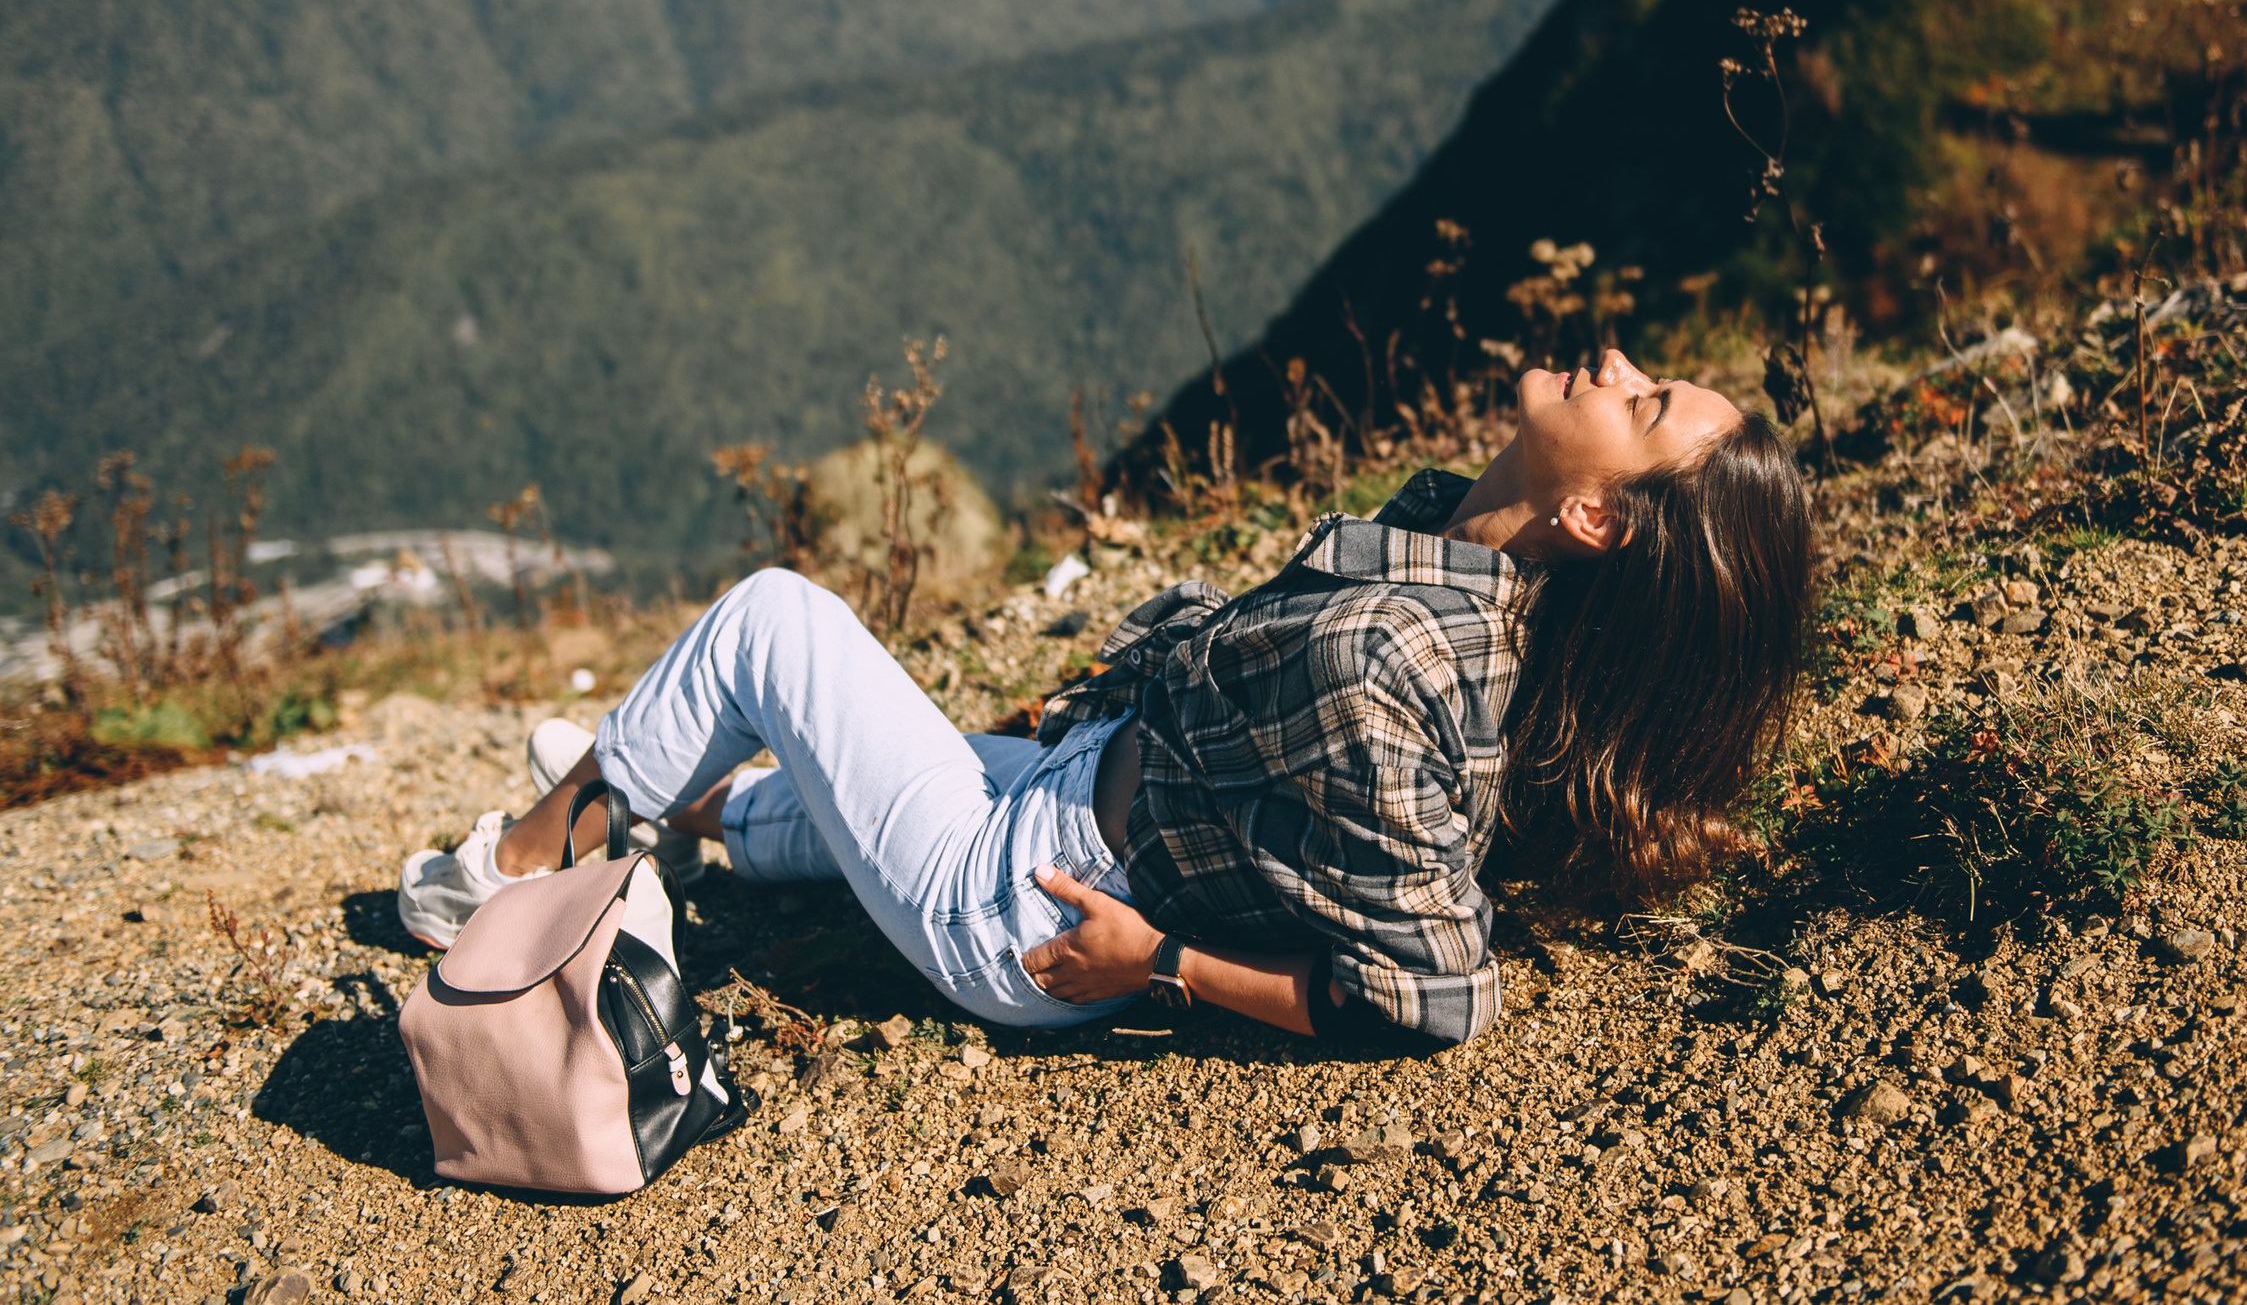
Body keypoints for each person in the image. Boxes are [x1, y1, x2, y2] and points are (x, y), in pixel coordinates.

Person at [397, 349, 1813, 1049]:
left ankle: (509, 871)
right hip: (1075, 787)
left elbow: (1437, 994)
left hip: (1021, 904)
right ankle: (693, 811)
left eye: (1641, 403)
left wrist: (1157, 967)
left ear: (1597, 519)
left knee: (776, 622)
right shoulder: (1451, 542)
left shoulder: (1395, 651)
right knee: (837, 774)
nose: (1614, 364)